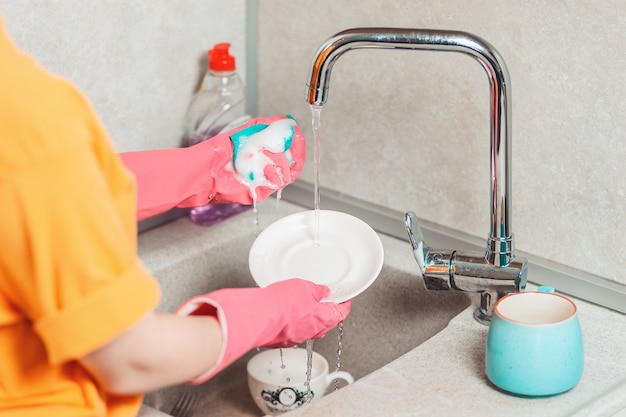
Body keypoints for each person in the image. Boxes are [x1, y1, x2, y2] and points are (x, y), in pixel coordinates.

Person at [0, 19, 351, 417]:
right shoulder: (23, 112)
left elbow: (42, 195)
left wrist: (199, 170)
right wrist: (275, 315)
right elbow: (133, 359)